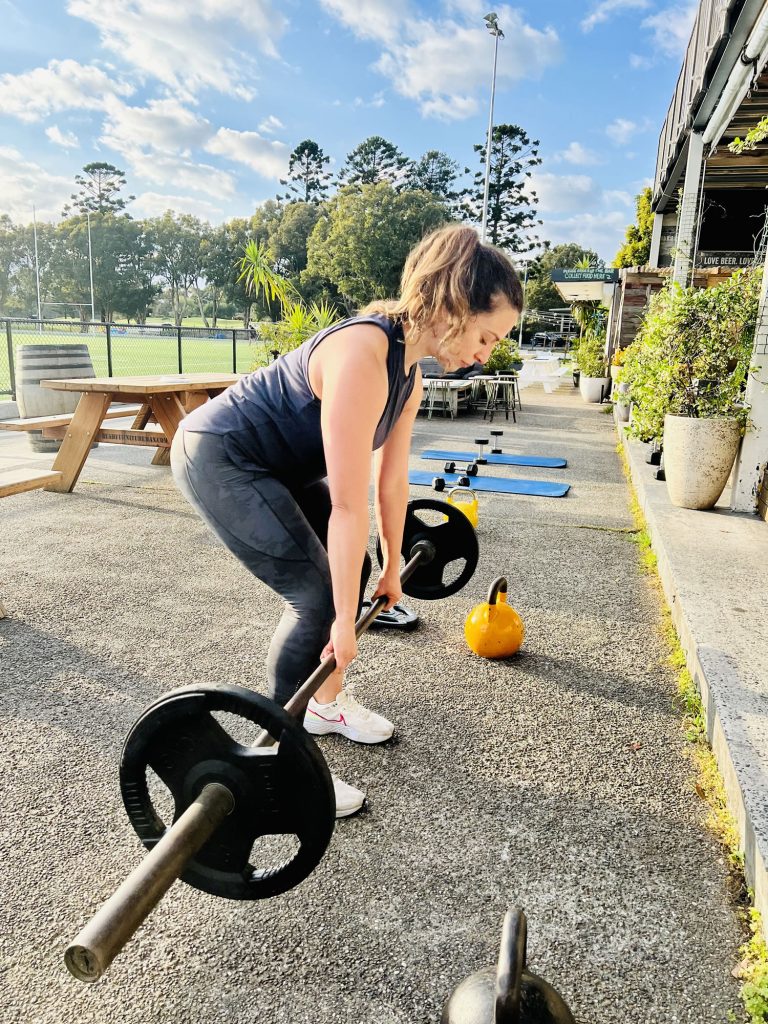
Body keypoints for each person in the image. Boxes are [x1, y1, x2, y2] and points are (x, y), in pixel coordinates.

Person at [170, 224, 522, 817]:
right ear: (454, 306)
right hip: (222, 456)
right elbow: (346, 503)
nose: (487, 353)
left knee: (350, 568)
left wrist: (388, 565)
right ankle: (283, 769)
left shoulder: (408, 373)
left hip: (277, 465)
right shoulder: (363, 353)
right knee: (315, 596)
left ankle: (326, 704)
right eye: (487, 336)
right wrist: (340, 621)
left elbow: (390, 480)